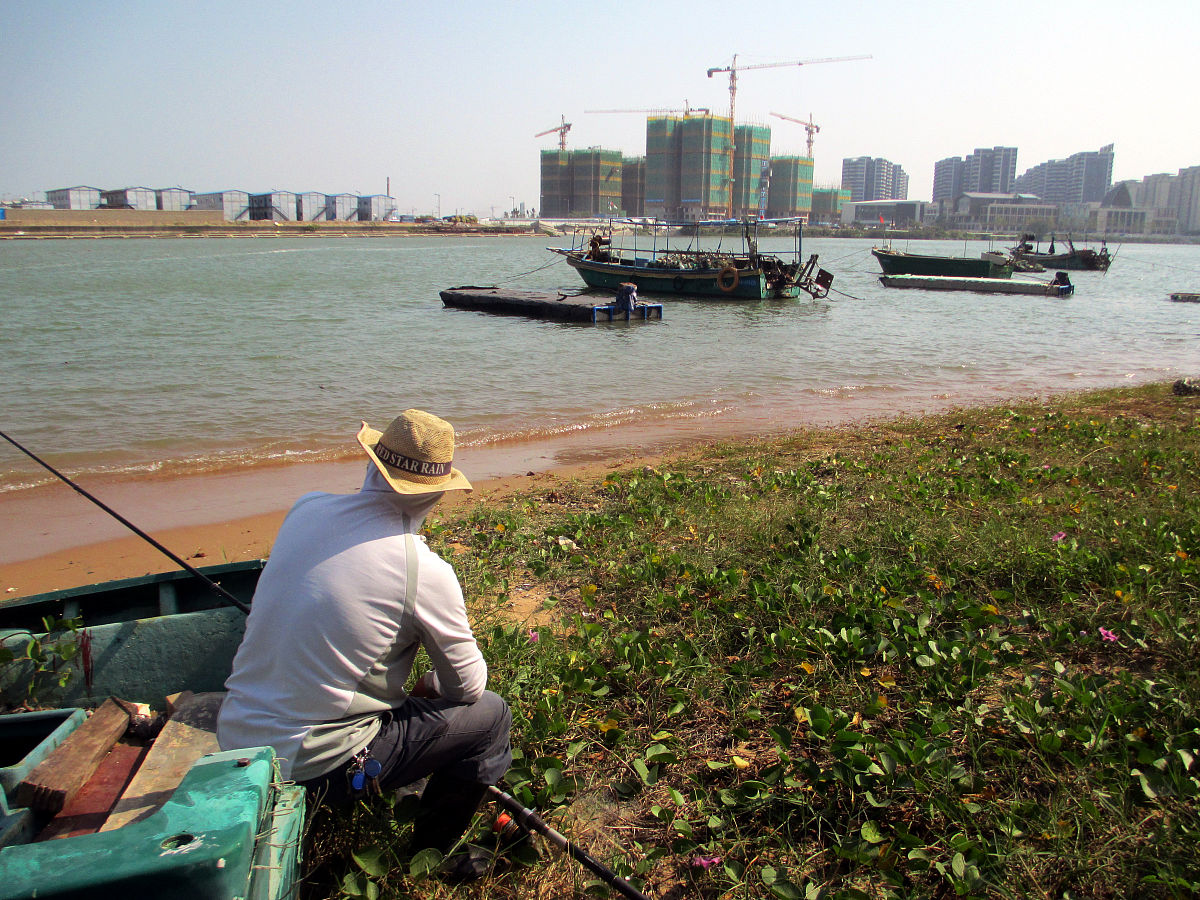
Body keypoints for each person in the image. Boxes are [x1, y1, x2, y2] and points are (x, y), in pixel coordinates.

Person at [217, 409, 512, 879]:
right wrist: (429, 685)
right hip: (310, 766)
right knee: (492, 716)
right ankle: (426, 862)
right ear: (435, 493)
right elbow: (468, 688)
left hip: (234, 735)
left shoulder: (306, 508)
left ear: (372, 465)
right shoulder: (424, 571)